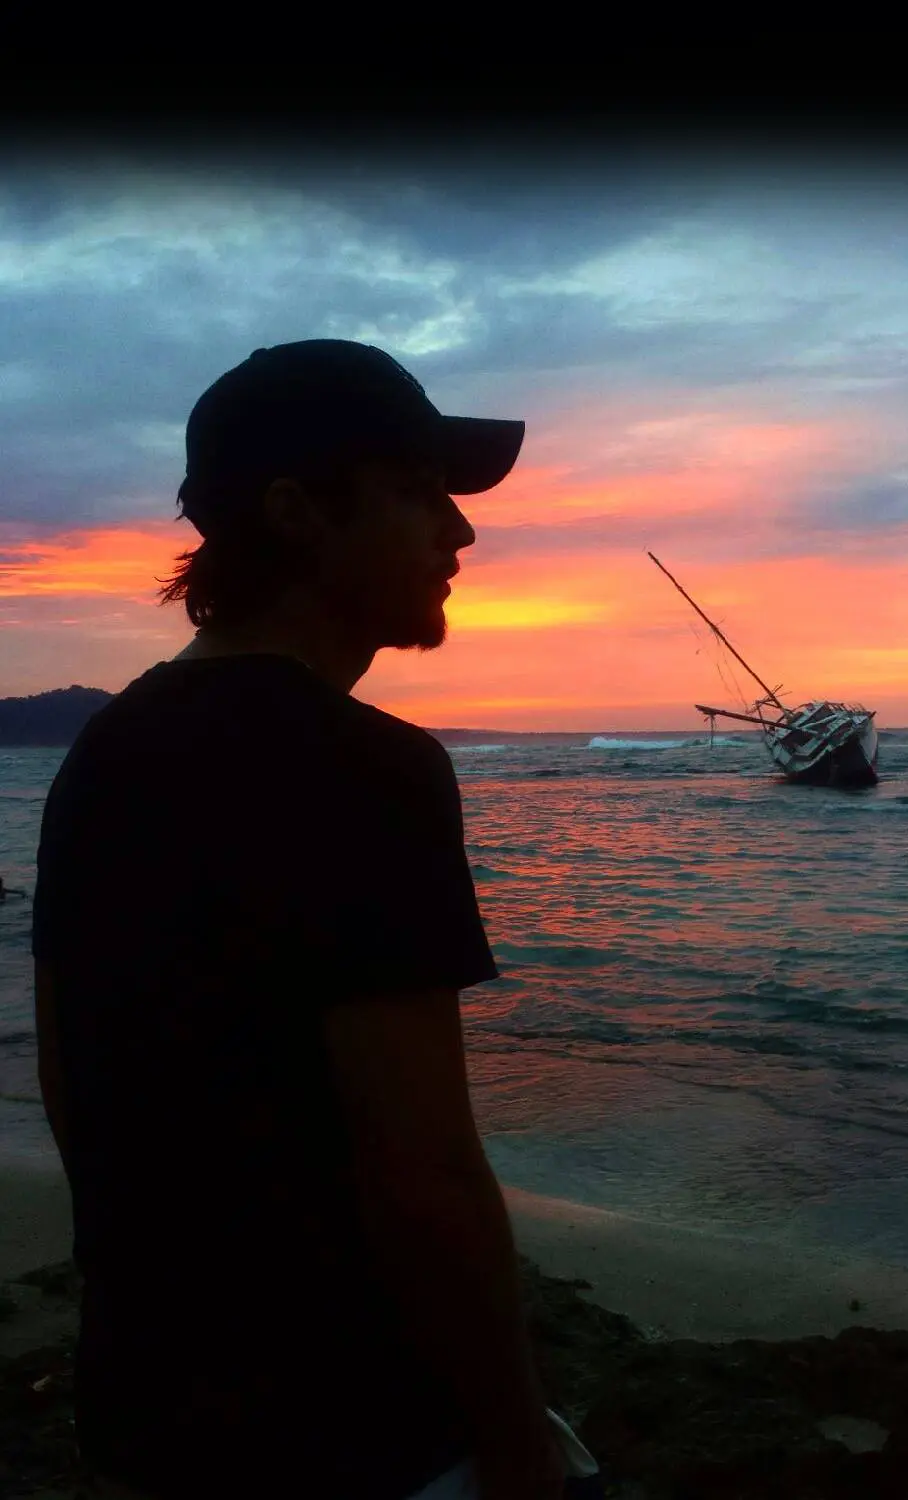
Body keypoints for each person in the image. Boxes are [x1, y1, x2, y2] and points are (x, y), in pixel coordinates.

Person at [31, 341, 574, 1499]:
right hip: (354, 1432)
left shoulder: (105, 750)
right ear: (297, 514)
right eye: (418, 494)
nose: (460, 533)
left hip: (150, 1410)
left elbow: (71, 1080)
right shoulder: (366, 770)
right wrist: (519, 1447)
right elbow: (423, 1173)